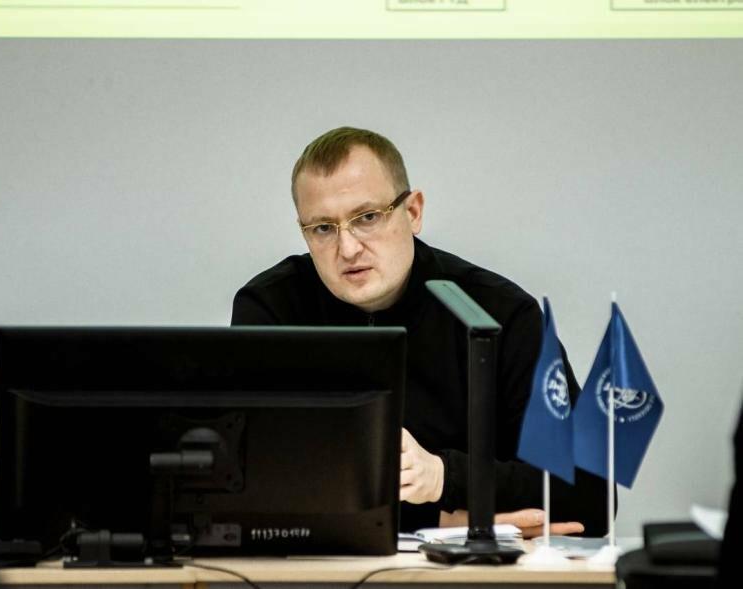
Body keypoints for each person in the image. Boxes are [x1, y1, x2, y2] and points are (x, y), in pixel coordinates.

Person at [231, 126, 609, 537]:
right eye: (323, 228)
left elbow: (590, 497)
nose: (348, 249)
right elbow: (245, 487)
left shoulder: (499, 313)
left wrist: (442, 477)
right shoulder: (271, 308)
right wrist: (447, 520)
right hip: (316, 567)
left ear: (413, 212)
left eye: (367, 218)